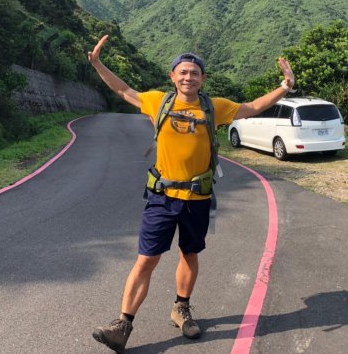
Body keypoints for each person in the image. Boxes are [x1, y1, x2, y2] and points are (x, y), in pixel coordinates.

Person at [88, 34, 295, 353]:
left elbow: (252, 107)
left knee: (189, 253)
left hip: (198, 199)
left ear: (202, 78)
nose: (188, 77)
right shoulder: (158, 101)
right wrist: (98, 64)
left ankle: (181, 308)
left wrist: (285, 86)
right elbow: (123, 89)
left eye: (194, 72)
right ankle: (122, 324)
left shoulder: (216, 107)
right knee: (146, 260)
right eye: (182, 72)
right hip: (161, 197)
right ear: (173, 77)